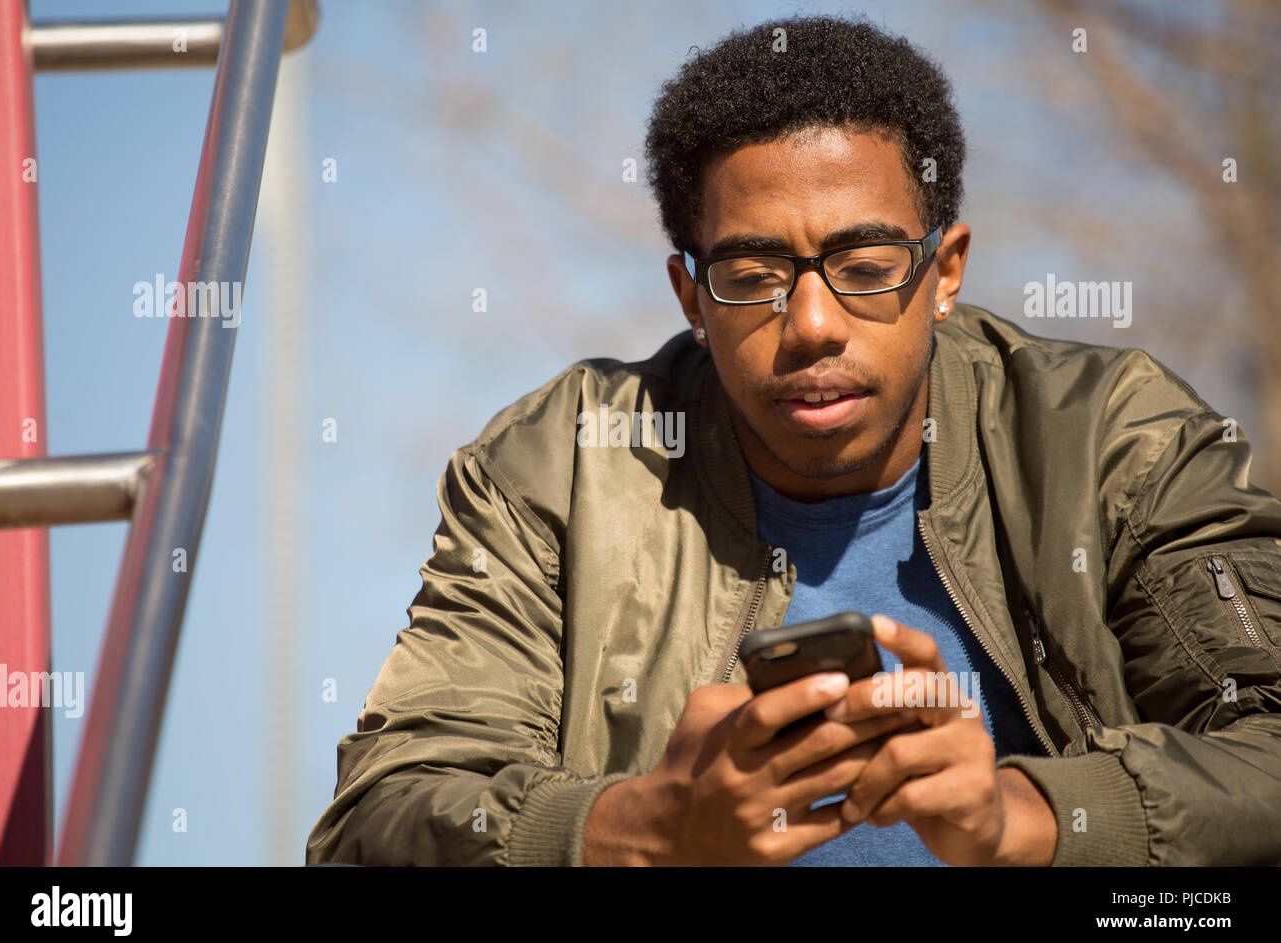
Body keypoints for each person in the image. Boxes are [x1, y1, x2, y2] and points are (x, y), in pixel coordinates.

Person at [305, 15, 1281, 866]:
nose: (811, 321)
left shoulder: (1114, 441)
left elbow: (1265, 748)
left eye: (863, 264)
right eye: (752, 273)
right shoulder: (561, 469)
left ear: (944, 271)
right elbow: (385, 808)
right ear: (691, 295)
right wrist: (637, 831)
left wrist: (1025, 815)